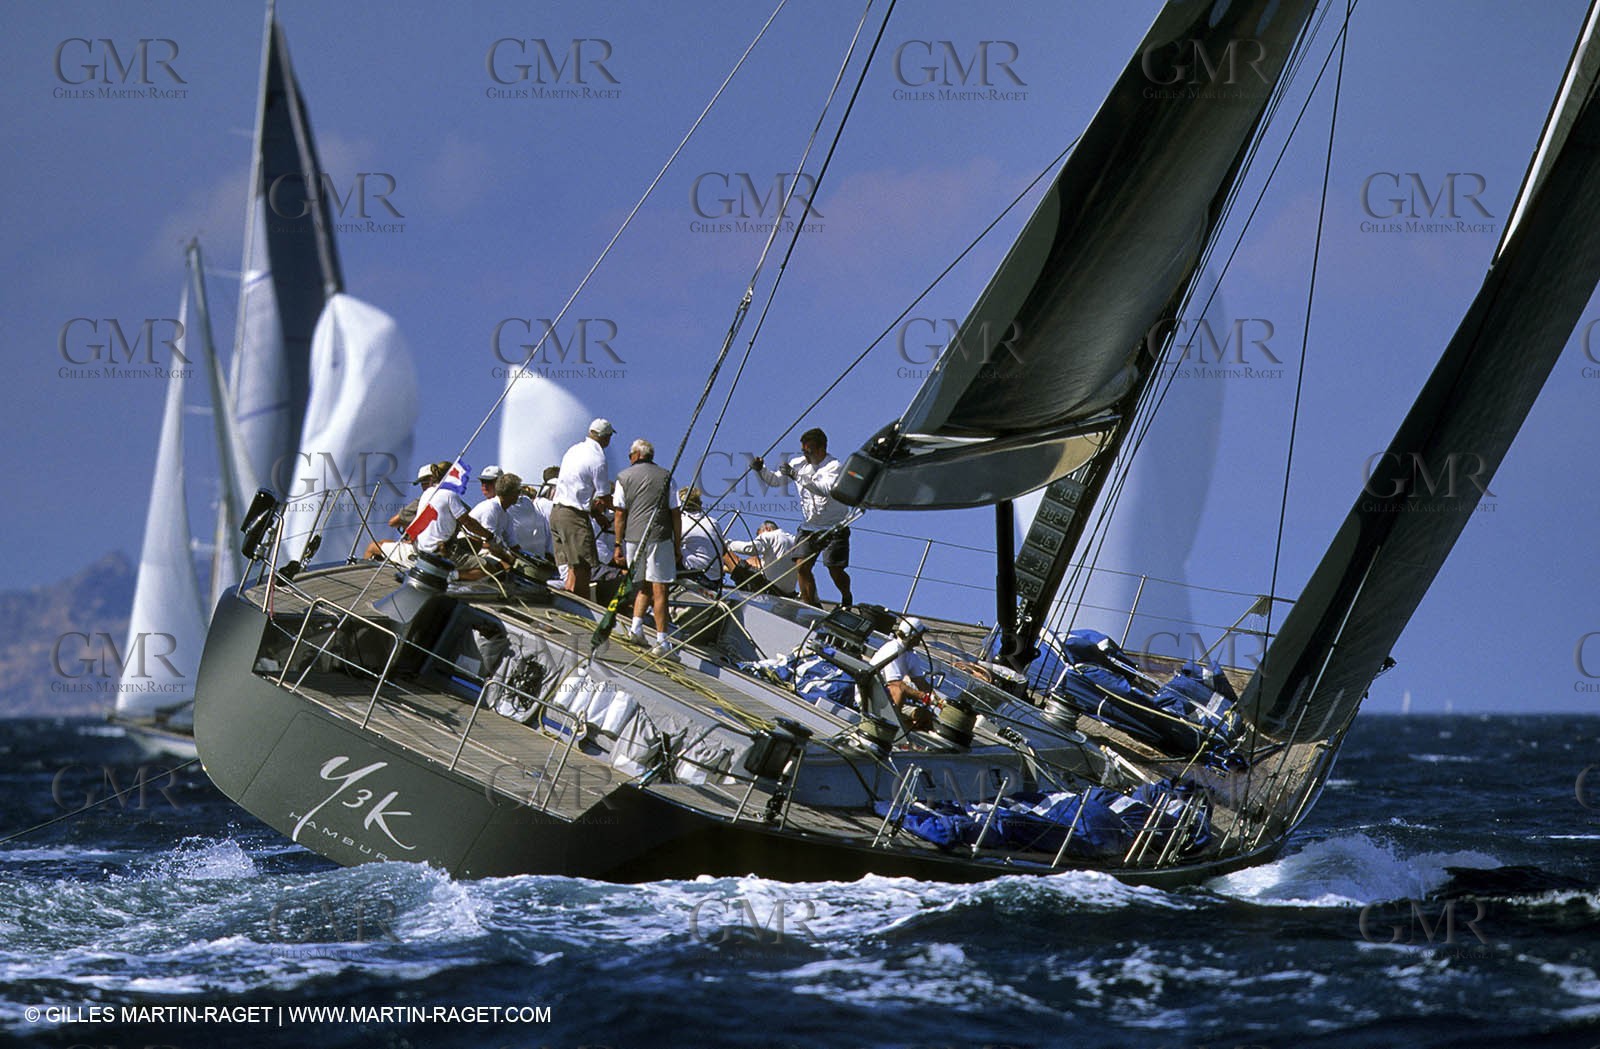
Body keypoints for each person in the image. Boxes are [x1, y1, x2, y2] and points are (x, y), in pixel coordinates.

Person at [752, 427, 852, 607]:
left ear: (821, 449)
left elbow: (824, 490)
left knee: (834, 570)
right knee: (801, 566)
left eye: (809, 451)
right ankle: (810, 605)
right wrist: (761, 470)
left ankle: (846, 596)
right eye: (803, 451)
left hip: (835, 526)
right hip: (810, 526)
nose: (805, 455)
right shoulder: (798, 464)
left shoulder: (834, 466)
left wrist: (796, 475)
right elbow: (775, 481)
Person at [612, 438, 681, 655]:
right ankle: (662, 641)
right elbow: (675, 512)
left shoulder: (623, 477)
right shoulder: (666, 476)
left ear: (636, 455)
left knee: (642, 584)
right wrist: (677, 545)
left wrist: (617, 544)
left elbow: (619, 513)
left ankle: (636, 628)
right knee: (660, 589)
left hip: (633, 538)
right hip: (659, 537)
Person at [551, 419, 615, 599]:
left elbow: (575, 488)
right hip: (574, 516)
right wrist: (622, 511)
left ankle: (570, 601)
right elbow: (604, 496)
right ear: (606, 438)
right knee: (584, 566)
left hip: (557, 513)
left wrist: (596, 515)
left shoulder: (573, 450)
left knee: (572, 566)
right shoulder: (598, 459)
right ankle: (582, 606)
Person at [365, 460, 448, 562]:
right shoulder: (450, 498)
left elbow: (393, 522)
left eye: (423, 482)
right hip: (438, 550)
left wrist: (407, 526)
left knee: (372, 547)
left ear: (431, 480)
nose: (422, 486)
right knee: (384, 542)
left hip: (421, 552)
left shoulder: (425, 498)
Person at [868, 617, 938, 731]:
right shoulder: (892, 649)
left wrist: (937, 700)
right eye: (920, 635)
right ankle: (886, 726)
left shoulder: (911, 655)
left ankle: (902, 728)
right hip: (874, 693)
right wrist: (924, 697)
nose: (921, 639)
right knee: (899, 691)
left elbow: (920, 682)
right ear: (913, 636)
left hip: (889, 697)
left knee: (926, 716)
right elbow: (896, 684)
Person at [452, 472, 523, 582]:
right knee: (507, 570)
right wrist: (509, 559)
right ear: (510, 493)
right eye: (518, 491)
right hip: (472, 548)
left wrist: (527, 561)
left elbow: (513, 545)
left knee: (518, 570)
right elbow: (489, 544)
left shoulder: (506, 515)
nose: (520, 494)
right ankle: (454, 576)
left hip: (486, 549)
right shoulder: (491, 508)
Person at [723, 519, 797, 596]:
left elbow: (750, 548)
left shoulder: (771, 535)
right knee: (755, 560)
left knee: (727, 555)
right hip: (788, 594)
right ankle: (723, 568)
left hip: (768, 589)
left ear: (767, 529)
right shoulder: (794, 540)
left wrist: (727, 543)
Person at [677, 487, 724, 585]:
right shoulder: (713, 522)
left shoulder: (681, 521)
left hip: (696, 575)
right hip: (716, 579)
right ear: (700, 504)